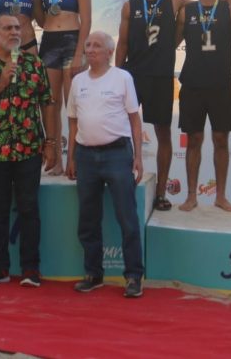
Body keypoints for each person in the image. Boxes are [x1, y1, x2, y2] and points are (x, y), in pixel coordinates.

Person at [0, 14, 56, 287]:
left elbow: (47, 103)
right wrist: (1, 83)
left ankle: (31, 269)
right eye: (8, 28)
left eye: (17, 28)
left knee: (29, 209)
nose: (14, 32)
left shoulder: (33, 63)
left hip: (29, 148)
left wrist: (51, 143)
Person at [66, 31, 145, 298]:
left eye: (97, 45)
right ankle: (93, 273)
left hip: (117, 155)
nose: (90, 49)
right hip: (86, 158)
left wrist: (138, 156)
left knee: (127, 218)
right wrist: (71, 157)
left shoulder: (123, 78)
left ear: (109, 52)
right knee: (88, 220)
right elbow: (73, 120)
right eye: (88, 45)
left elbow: (135, 119)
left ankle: (133, 276)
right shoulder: (77, 81)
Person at [115, 0, 189, 211]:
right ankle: (120, 182)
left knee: (163, 133)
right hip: (133, 75)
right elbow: (122, 43)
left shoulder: (175, 1)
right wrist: (117, 74)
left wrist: (229, 3)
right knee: (122, 130)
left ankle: (161, 193)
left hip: (160, 76)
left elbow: (204, 8)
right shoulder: (130, 6)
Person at [174, 0, 231, 212]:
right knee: (193, 139)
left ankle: (220, 196)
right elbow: (172, 42)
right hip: (192, 84)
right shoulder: (186, 11)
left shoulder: (229, 9)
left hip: (220, 85)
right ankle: (191, 195)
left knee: (221, 138)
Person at [37, 0, 91, 175]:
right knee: (50, 103)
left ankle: (76, 160)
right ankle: (56, 159)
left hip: (71, 41)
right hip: (49, 42)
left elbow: (86, 20)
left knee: (73, 103)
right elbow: (37, 16)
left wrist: (80, 52)